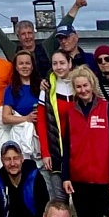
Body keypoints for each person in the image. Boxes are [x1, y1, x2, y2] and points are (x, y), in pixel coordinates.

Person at [60, 66, 109, 217]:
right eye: (79, 87)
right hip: (80, 181)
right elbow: (66, 146)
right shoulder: (71, 112)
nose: (83, 90)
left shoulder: (106, 108)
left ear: (92, 85)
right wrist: (66, 176)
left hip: (103, 180)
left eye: (86, 85)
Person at [0, 0, 85, 78]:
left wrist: (76, 6)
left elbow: (63, 25)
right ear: (18, 37)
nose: (27, 37)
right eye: (23, 34)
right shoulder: (12, 50)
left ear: (34, 34)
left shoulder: (46, 47)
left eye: (29, 33)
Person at [36, 50, 75, 202]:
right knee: (59, 199)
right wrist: (45, 152)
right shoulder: (47, 87)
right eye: (55, 63)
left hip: (77, 151)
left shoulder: (79, 84)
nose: (58, 67)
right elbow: (41, 122)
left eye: (62, 63)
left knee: (81, 199)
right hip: (55, 150)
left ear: (70, 64)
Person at [0, 50, 40, 160]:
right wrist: (26, 118)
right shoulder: (11, 89)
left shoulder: (42, 86)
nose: (24, 66)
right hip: (20, 136)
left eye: (27, 63)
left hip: (41, 135)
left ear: (32, 66)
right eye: (21, 64)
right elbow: (5, 117)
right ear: (16, 67)